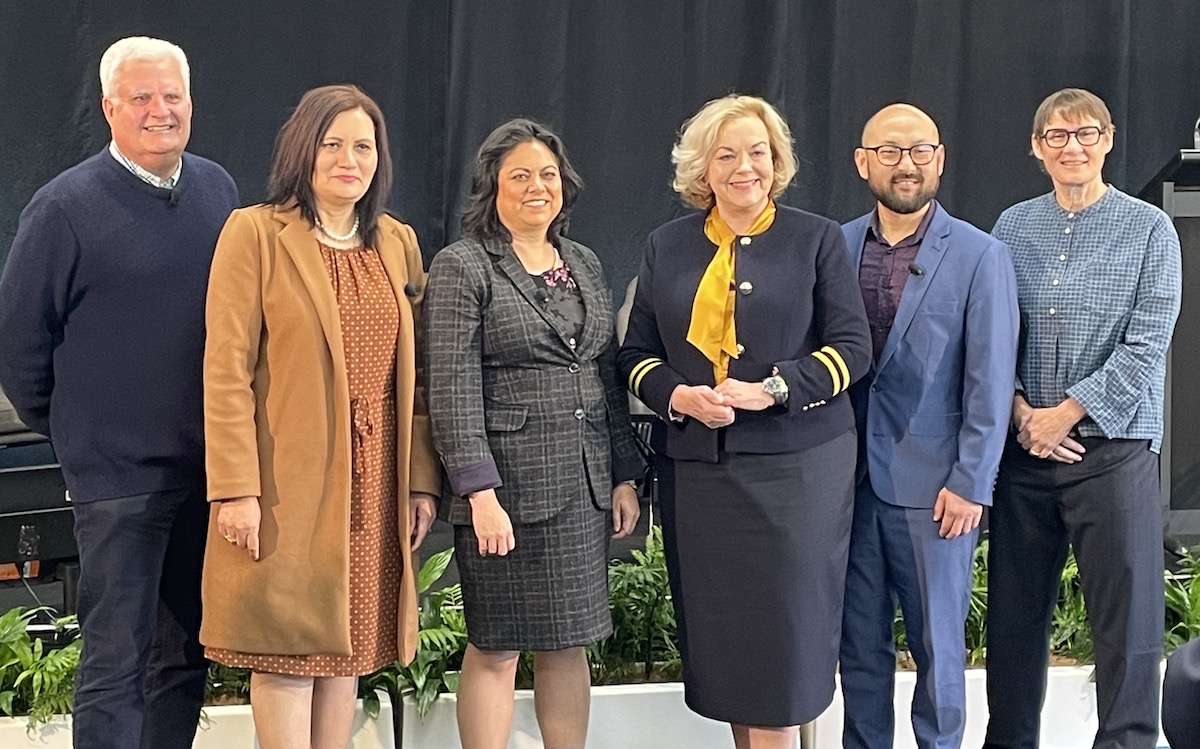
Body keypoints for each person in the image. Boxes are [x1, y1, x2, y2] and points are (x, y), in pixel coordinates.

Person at [0, 36, 237, 749]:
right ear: (109, 108)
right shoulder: (63, 209)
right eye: (142, 97)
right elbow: (18, 345)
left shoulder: (221, 190)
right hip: (115, 481)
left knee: (186, 652)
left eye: (173, 96)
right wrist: (75, 432)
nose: (160, 110)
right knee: (115, 659)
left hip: (207, 472)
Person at [618, 94, 871, 749]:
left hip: (799, 473)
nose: (744, 167)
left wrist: (774, 388)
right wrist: (679, 395)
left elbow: (853, 348)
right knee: (734, 657)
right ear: (702, 167)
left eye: (757, 152)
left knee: (781, 656)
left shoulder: (815, 238)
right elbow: (634, 355)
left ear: (777, 160)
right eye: (726, 154)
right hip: (701, 479)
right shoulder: (665, 246)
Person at [199, 84, 440, 749]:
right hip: (286, 480)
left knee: (349, 647)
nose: (348, 159)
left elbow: (416, 382)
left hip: (376, 478)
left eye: (363, 146)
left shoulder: (397, 242)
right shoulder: (255, 233)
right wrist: (235, 488)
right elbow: (225, 370)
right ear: (303, 149)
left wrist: (421, 480)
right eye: (332, 144)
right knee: (289, 649)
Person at [423, 118, 643, 749]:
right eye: (519, 175)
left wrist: (623, 475)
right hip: (507, 494)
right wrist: (479, 494)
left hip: (581, 489)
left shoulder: (583, 261)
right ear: (491, 185)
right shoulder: (464, 265)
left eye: (547, 174)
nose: (537, 186)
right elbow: (452, 388)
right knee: (496, 646)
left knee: (568, 640)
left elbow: (604, 373)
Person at [983, 88, 1182, 749]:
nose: (1073, 146)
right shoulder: (1010, 227)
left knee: (1127, 626)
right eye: (1057, 136)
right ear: (1038, 150)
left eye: (1086, 133)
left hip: (1114, 449)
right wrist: (1018, 410)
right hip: (1023, 450)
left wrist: (1067, 412)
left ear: (1109, 140)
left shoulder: (1150, 228)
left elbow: (1150, 339)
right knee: (1013, 620)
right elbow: (989, 330)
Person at [838, 103, 1019, 749]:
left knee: (939, 652)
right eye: (889, 150)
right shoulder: (834, 245)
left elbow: (991, 379)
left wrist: (972, 480)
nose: (905, 163)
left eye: (919, 150)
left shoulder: (980, 255)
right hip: (846, 486)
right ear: (864, 162)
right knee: (859, 651)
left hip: (938, 489)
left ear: (939, 158)